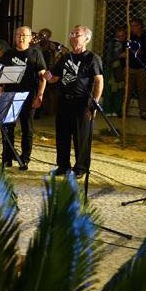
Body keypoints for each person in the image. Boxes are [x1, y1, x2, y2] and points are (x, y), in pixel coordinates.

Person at [41, 25, 104, 177]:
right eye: (72, 33)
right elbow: (54, 78)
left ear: (86, 39)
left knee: (81, 137)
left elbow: (99, 81)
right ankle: (63, 166)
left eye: (78, 34)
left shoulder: (92, 58)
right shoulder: (65, 57)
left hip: (82, 103)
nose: (73, 36)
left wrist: (95, 102)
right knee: (62, 136)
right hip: (64, 102)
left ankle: (81, 168)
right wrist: (46, 74)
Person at [0, 26, 47, 169]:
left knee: (27, 129)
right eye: (18, 34)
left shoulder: (35, 53)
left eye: (25, 35)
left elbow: (43, 77)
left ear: (30, 38)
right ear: (15, 37)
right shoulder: (8, 54)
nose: (21, 37)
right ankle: (7, 157)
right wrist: (0, 95)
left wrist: (40, 95)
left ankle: (25, 158)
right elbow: (1, 77)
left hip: (28, 96)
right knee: (7, 128)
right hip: (9, 95)